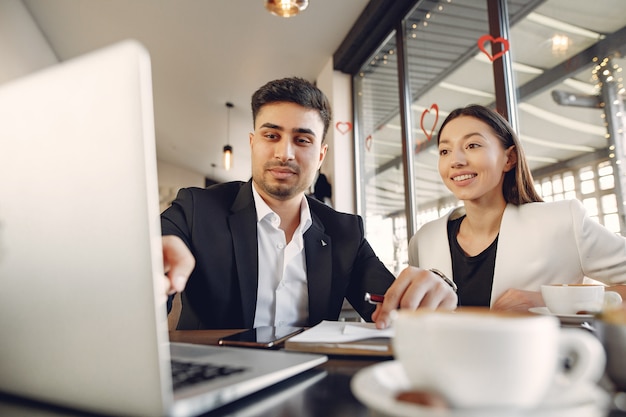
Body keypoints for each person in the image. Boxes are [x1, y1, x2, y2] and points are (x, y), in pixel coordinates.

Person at [160, 77, 457, 330]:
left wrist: (428, 290)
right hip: (215, 381)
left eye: (302, 140)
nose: (284, 153)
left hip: (310, 386)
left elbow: (393, 307)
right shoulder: (197, 208)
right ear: (253, 143)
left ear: (321, 154)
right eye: (271, 135)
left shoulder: (345, 232)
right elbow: (149, 271)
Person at [374, 104, 626, 318]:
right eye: (445, 151)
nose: (456, 161)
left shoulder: (562, 221)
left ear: (509, 158)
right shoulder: (424, 240)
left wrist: (548, 301)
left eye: (472, 145)